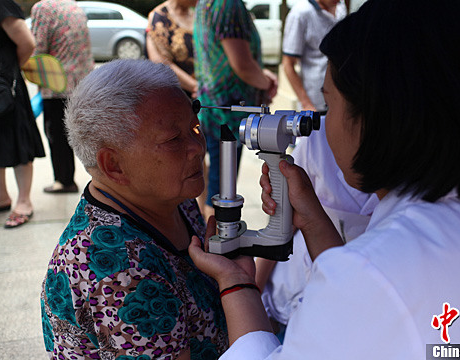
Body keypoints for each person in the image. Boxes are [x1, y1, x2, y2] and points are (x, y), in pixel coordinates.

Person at [187, 0, 460, 358]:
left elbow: (368, 288)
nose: (323, 125)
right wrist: (312, 219)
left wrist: (237, 284)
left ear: (375, 121)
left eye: (330, 105)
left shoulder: (374, 272)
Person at [40, 60, 228, 359]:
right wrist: (237, 284)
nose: (197, 146)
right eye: (173, 140)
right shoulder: (120, 274)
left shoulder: (167, 196)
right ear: (113, 165)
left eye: (195, 127)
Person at [255, 116, 378, 339]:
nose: (322, 117)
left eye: (330, 101)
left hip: (343, 322)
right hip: (286, 302)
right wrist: (254, 291)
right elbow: (282, 224)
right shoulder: (318, 139)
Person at [194, 0, 278, 218]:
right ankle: (214, 246)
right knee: (222, 191)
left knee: (218, 184)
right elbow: (242, 65)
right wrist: (267, 83)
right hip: (227, 114)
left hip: (217, 108)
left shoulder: (208, 3)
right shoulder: (228, 4)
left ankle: (210, 241)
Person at [30, 0, 95, 194]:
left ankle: (64, 181)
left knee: (56, 135)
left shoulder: (43, 8)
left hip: (56, 83)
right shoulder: (74, 6)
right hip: (82, 82)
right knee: (83, 135)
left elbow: (38, 48)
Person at [0, 0, 46, 228]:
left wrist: (10, 70)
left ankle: (24, 202)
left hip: (6, 85)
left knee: (19, 139)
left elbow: (27, 43)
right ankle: (1, 196)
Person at [282, 0, 346, 112]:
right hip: (315, 103)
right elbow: (288, 64)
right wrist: (306, 103)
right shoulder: (300, 13)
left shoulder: (341, 7)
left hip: (340, 100)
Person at [147, 0, 198, 98]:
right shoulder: (159, 17)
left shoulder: (196, 14)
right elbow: (162, 62)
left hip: (204, 92)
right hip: (180, 95)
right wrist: (196, 87)